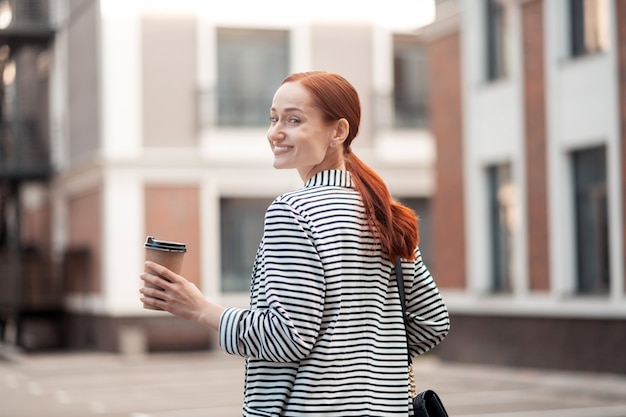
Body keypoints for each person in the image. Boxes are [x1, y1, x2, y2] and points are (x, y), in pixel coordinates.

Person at [140, 71, 450, 416]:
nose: (276, 132)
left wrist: (200, 308)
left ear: (339, 131)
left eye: (294, 119)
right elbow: (432, 321)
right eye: (274, 118)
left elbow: (288, 336)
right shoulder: (383, 213)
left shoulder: (293, 212)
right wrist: (370, 363)